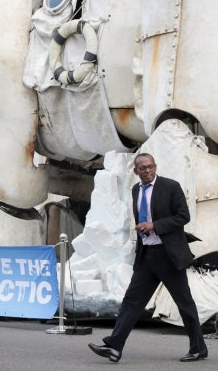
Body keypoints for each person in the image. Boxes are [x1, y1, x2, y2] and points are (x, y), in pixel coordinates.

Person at [89, 153, 208, 363]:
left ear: (155, 166)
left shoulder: (171, 186)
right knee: (131, 301)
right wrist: (144, 231)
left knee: (184, 303)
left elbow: (183, 217)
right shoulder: (135, 189)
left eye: (150, 166)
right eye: (142, 168)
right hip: (147, 255)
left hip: (168, 255)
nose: (147, 171)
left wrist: (155, 226)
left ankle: (198, 348)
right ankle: (115, 347)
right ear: (136, 171)